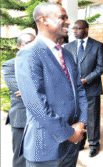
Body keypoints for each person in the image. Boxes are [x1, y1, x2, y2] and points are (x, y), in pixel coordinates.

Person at [15, 3, 88, 166]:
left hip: (72, 144)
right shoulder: (29, 54)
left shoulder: (67, 55)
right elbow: (37, 105)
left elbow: (79, 92)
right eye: (63, 17)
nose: (68, 23)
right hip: (45, 148)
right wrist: (69, 133)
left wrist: (81, 123)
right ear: (44, 20)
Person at [65, 20, 103, 157]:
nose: (75, 31)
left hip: (91, 88)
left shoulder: (97, 45)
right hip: (74, 91)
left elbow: (101, 67)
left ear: (86, 29)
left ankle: (94, 144)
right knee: (77, 117)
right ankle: (80, 142)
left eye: (78, 28)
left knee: (92, 118)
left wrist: (86, 79)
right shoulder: (68, 47)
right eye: (73, 29)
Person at [2, 33, 35, 167]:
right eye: (27, 43)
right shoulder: (9, 66)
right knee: (20, 157)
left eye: (34, 42)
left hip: (42, 116)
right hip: (21, 117)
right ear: (18, 46)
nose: (31, 46)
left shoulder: (42, 64)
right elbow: (18, 89)